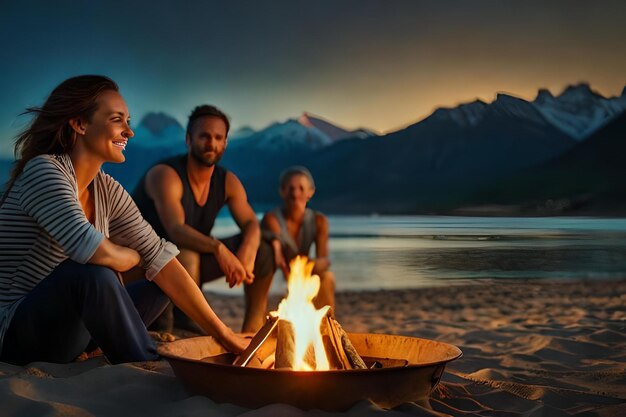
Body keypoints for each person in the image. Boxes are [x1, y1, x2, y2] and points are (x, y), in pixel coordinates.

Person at [0, 75, 247, 366]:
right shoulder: (44, 171)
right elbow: (91, 251)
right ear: (80, 124)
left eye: (128, 121)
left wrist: (224, 332)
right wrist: (129, 257)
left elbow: (161, 257)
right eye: (117, 120)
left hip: (72, 331)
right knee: (92, 273)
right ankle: (146, 360)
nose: (129, 132)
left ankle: (104, 347)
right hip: (17, 333)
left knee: (161, 284)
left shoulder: (106, 189)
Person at [132, 105, 273, 334]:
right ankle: (180, 324)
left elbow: (250, 223)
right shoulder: (165, 175)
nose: (211, 143)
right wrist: (218, 247)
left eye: (218, 137)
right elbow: (176, 230)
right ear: (188, 139)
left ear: (225, 143)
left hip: (192, 263)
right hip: (146, 266)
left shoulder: (227, 181)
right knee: (182, 251)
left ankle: (251, 332)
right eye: (204, 136)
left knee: (264, 251)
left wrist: (247, 250)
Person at [262, 166, 335, 312]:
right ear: (282, 191)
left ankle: (328, 327)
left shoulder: (319, 221)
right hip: (280, 272)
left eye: (301, 188)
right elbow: (281, 263)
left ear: (310, 192)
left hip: (305, 271)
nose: (295, 194)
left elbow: (324, 261)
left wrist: (307, 266)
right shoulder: (272, 219)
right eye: (290, 188)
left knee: (327, 278)